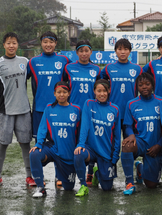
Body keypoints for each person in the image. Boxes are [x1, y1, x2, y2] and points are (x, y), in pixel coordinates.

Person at [0, 32, 35, 186]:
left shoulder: (25, 61)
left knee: (25, 143)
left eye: (14, 42)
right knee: (3, 143)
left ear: (17, 45)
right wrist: (1, 96)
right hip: (5, 111)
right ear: (4, 45)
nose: (11, 45)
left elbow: (29, 78)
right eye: (8, 43)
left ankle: (29, 176)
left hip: (24, 110)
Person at [27, 31, 72, 186]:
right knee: (39, 144)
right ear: (41, 43)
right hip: (39, 109)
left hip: (59, 109)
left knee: (59, 142)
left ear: (56, 43)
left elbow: (71, 78)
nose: (48, 44)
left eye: (51, 42)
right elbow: (20, 77)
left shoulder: (64, 60)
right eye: (45, 41)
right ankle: (39, 178)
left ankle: (59, 176)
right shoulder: (33, 62)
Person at [29, 81, 81, 197]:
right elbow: (42, 128)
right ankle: (40, 187)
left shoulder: (76, 110)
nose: (61, 95)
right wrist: (38, 144)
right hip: (52, 149)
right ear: (54, 94)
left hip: (68, 154)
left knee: (68, 188)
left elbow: (80, 132)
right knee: (35, 154)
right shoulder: (49, 109)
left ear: (69, 93)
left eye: (64, 92)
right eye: (59, 92)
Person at [74, 79, 121, 197]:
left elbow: (117, 135)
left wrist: (115, 156)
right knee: (79, 154)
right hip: (90, 149)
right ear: (94, 91)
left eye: (104, 91)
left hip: (106, 152)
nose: (102, 94)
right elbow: (84, 126)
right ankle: (83, 185)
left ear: (109, 91)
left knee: (107, 188)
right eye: (99, 91)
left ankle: (97, 173)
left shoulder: (115, 109)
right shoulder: (89, 104)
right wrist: (81, 144)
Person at [64, 40, 101, 185]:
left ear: (91, 52)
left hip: (91, 111)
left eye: (87, 50)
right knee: (73, 142)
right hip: (73, 110)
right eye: (81, 51)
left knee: (91, 141)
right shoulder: (69, 68)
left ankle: (90, 172)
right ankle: (68, 173)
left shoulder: (97, 69)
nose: (84, 53)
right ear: (77, 52)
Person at [121, 73, 162, 195]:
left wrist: (159, 145)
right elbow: (128, 126)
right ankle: (129, 183)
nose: (144, 87)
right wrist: (130, 135)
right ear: (137, 87)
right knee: (127, 145)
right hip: (140, 141)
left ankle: (140, 168)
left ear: (153, 85)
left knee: (151, 185)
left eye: (147, 84)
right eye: (140, 85)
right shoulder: (131, 103)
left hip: (155, 144)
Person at [101, 38, 143, 138]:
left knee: (128, 143)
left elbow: (146, 81)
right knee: (111, 141)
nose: (123, 52)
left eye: (126, 49)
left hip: (130, 111)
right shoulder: (109, 68)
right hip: (112, 110)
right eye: (120, 49)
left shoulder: (137, 68)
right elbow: (100, 81)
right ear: (115, 51)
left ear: (130, 51)